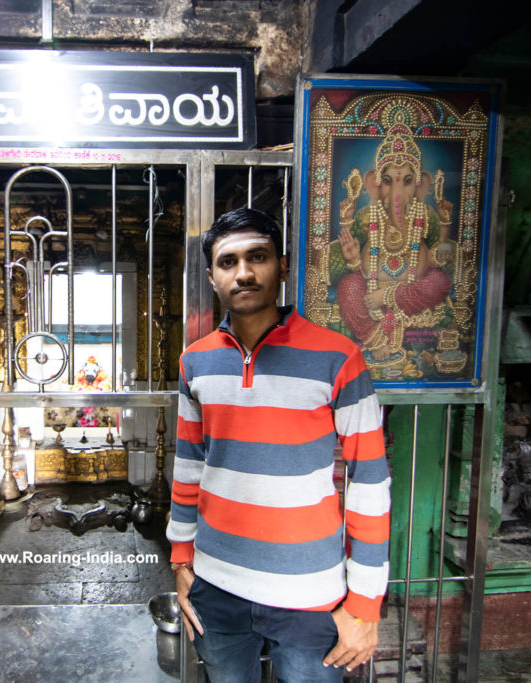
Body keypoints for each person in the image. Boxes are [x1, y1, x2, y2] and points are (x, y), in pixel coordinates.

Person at [167, 207, 390, 682]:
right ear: (211, 276)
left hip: (309, 596)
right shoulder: (195, 362)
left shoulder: (339, 357)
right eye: (228, 262)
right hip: (217, 588)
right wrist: (182, 561)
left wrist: (366, 604)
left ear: (282, 266)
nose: (243, 273)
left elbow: (370, 480)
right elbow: (188, 467)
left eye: (258, 257)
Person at [333, 123, 455, 362]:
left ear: (421, 185)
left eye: (407, 181)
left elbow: (437, 259)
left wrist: (444, 228)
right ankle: (373, 336)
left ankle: (390, 298)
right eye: (388, 181)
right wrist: (353, 258)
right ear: (374, 184)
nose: (396, 191)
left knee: (439, 282)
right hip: (370, 286)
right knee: (348, 287)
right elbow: (356, 264)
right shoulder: (366, 216)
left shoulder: (426, 215)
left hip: (411, 289)